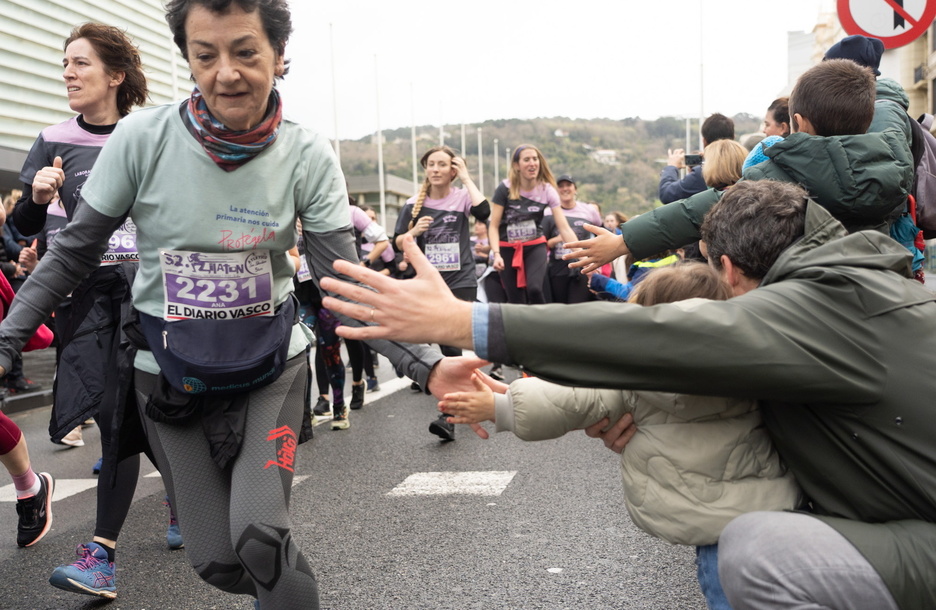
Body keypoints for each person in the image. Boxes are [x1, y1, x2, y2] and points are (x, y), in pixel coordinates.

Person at [0, 2, 479, 607]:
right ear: (189, 60)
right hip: (164, 372)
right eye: (205, 55)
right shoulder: (140, 140)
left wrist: (425, 365)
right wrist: (5, 342)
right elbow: (71, 254)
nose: (225, 72)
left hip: (270, 368)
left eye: (245, 52)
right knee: (216, 560)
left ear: (278, 57)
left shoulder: (306, 153)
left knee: (260, 538)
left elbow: (344, 284)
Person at [321, 179, 936, 608]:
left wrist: (463, 322)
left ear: (727, 272)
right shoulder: (860, 285)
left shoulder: (809, 310)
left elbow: (656, 338)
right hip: (908, 516)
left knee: (757, 550)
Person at [438, 262, 802, 609]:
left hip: (711, 528)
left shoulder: (635, 378)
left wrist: (500, 406)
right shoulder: (748, 362)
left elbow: (571, 400)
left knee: (728, 595)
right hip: (775, 509)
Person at [9, 23, 180, 600]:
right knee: (116, 415)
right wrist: (37, 198)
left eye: (80, 63)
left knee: (135, 410)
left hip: (146, 294)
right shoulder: (52, 138)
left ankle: (117, 543)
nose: (68, 73)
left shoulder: (148, 134)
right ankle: (164, 508)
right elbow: (21, 228)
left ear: (115, 75)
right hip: (84, 298)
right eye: (64, 64)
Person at [566, 59, 913, 275]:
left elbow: (695, 211)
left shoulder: (785, 172)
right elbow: (891, 109)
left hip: (809, 295)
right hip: (880, 283)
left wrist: (624, 242)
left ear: (798, 122)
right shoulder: (894, 157)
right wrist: (871, 85)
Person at [393, 146, 490, 440]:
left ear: (452, 170)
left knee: (450, 344)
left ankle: (449, 417)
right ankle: (471, 396)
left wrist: (467, 177)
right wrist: (414, 233)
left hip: (460, 280)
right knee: (436, 340)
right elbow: (397, 241)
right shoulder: (413, 205)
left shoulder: (461, 198)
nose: (435, 169)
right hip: (429, 282)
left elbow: (484, 212)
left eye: (442, 165)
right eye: (431, 164)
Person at [489, 144, 576, 305]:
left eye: (535, 159)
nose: (532, 163)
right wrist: (496, 254)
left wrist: (582, 256)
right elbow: (493, 226)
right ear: (517, 165)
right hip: (507, 248)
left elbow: (564, 228)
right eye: (527, 160)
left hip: (534, 245)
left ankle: (542, 319)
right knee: (516, 299)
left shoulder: (547, 190)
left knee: (535, 288)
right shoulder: (504, 188)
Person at [543, 175, 602, 304]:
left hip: (582, 266)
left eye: (568, 185)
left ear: (575, 189)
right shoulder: (548, 212)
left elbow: (601, 234)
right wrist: (558, 239)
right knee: (559, 307)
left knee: (577, 306)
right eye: (561, 186)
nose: (565, 189)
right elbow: (544, 243)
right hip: (557, 268)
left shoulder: (589, 211)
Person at [658, 113, 735, 204]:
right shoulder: (743, 166)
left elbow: (667, 194)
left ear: (704, 141)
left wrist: (671, 167)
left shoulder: (703, 174)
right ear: (733, 138)